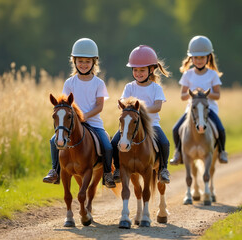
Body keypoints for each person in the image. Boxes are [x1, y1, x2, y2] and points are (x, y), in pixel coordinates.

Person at [43, 38, 116, 188]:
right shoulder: (69, 83)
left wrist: (83, 117)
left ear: (94, 63)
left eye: (87, 61)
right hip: (71, 124)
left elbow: (99, 106)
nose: (83, 64)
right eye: (80, 61)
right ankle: (54, 171)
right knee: (53, 141)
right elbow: (64, 104)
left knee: (107, 146)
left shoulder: (98, 83)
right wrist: (74, 119)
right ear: (74, 61)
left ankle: (108, 174)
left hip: (93, 123)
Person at [111, 45, 171, 184]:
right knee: (114, 142)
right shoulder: (129, 87)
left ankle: (163, 169)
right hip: (131, 125)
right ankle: (118, 169)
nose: (138, 73)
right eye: (135, 70)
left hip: (151, 124)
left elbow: (157, 107)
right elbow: (122, 101)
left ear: (151, 70)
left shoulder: (156, 88)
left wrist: (140, 110)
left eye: (142, 70)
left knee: (164, 142)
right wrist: (123, 105)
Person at [170, 35, 228, 165]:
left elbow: (217, 95)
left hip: (209, 109)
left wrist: (204, 94)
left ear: (208, 57)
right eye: (196, 57)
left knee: (220, 128)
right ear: (191, 58)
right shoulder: (187, 74)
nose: (199, 60)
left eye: (202, 57)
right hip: (192, 110)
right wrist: (194, 94)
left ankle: (222, 152)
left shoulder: (212, 74)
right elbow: (182, 96)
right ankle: (178, 153)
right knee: (176, 129)